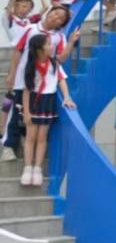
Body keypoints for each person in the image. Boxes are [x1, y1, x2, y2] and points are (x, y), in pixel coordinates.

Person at [3, 6, 77, 164]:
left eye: (61, 18)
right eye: (55, 13)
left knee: (34, 117)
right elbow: (18, 51)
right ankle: (9, 146)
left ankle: (28, 148)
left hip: (42, 84)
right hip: (23, 79)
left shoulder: (58, 37)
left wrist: (71, 42)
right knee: (16, 113)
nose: (55, 17)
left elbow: (60, 59)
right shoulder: (30, 28)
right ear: (49, 12)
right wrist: (11, 74)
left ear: (62, 24)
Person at [20, 33, 75, 187]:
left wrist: (67, 97)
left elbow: (61, 80)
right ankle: (27, 168)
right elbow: (26, 91)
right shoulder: (30, 66)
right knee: (30, 136)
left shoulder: (54, 64)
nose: (52, 47)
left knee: (42, 137)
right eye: (48, 44)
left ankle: (37, 168)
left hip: (48, 101)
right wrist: (26, 112)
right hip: (33, 102)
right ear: (39, 49)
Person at [2, 0, 48, 160]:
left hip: (30, 66)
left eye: (27, 6)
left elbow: (46, 8)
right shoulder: (9, 19)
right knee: (12, 104)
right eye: (21, 6)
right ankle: (7, 144)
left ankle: (18, 138)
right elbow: (11, 0)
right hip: (17, 63)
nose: (24, 9)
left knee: (24, 106)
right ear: (15, 7)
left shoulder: (30, 22)